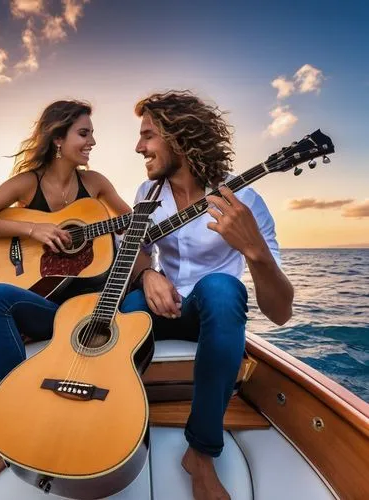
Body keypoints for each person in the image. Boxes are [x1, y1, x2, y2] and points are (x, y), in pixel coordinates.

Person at [120, 90, 294, 500]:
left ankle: (200, 453)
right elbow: (134, 256)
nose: (138, 147)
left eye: (148, 135)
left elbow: (281, 313)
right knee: (125, 307)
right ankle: (117, 420)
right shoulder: (146, 197)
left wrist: (255, 251)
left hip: (211, 316)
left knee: (221, 289)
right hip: (162, 307)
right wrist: (148, 277)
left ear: (178, 136)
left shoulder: (244, 199)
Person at [0, 99, 131, 486]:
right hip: (45, 309)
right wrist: (33, 231)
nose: (92, 141)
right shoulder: (27, 184)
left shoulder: (95, 183)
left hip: (87, 315)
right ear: (58, 138)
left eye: (92, 133)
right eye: (84, 133)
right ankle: (20, 412)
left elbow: (136, 225)